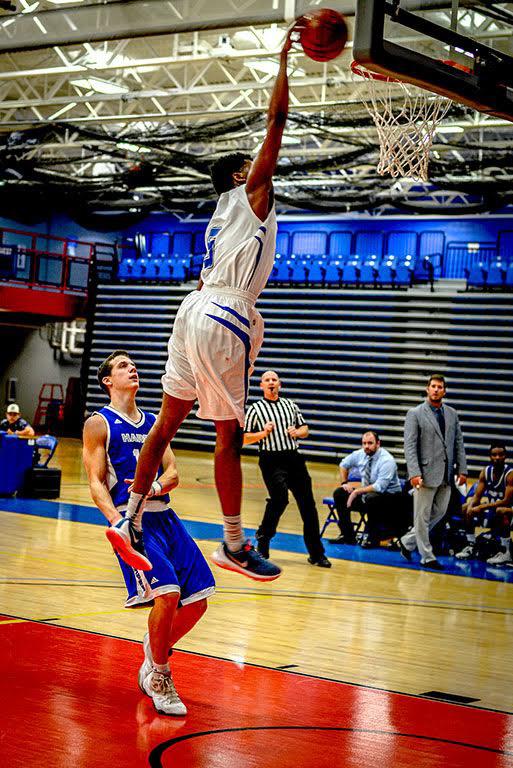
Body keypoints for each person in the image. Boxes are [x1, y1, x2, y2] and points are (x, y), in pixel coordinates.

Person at [107, 31, 296, 582]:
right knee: (227, 435)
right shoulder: (250, 196)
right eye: (251, 163)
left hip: (193, 308)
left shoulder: (221, 212)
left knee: (166, 425)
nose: (261, 165)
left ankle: (131, 516)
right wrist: (284, 62)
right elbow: (277, 125)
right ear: (242, 175)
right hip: (226, 312)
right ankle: (234, 543)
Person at [83, 350, 215, 716]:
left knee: (200, 599)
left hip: (166, 515)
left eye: (133, 364)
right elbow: (95, 482)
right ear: (108, 380)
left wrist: (155, 487)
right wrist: (116, 522)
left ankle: (154, 648)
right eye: (123, 366)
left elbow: (173, 473)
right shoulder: (99, 423)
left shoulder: (155, 422)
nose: (132, 368)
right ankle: (159, 675)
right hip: (133, 521)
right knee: (168, 594)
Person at [243, 370, 331, 568]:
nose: (271, 382)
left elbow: (305, 428)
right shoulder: (256, 409)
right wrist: (263, 433)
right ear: (262, 386)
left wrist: (297, 432)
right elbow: (244, 438)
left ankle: (317, 554)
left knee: (308, 505)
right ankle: (264, 536)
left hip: (294, 459)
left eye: (274, 379)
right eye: (267, 380)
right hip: (270, 460)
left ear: (279, 384)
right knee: (280, 498)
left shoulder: (289, 405)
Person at [400, 374, 467, 570]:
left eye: (440, 387)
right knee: (422, 516)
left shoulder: (452, 414)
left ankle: (408, 541)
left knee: (440, 511)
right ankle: (427, 556)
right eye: (433, 386)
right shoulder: (415, 413)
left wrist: (462, 468)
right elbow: (410, 446)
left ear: (444, 391)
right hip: (424, 473)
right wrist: (414, 472)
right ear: (427, 389)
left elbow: (458, 443)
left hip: (446, 473)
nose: (436, 389)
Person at [331, 431, 405, 548]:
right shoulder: (360, 454)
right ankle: (347, 535)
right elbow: (343, 464)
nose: (366, 446)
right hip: (369, 495)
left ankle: (372, 537)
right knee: (340, 493)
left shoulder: (387, 460)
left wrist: (356, 491)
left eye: (370, 443)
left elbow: (379, 487)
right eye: (364, 443)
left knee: (372, 498)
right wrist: (345, 483)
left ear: (378, 443)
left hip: (391, 499)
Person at [456, 442, 513, 566]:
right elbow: (477, 497)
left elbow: (506, 501)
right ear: (490, 456)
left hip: (509, 510)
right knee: (466, 508)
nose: (497, 458)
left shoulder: (510, 475)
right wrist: (471, 507)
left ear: (505, 456)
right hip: (492, 508)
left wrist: (482, 506)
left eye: (500, 455)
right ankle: (471, 545)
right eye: (494, 455)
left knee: (501, 510)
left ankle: (507, 553)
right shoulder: (485, 472)